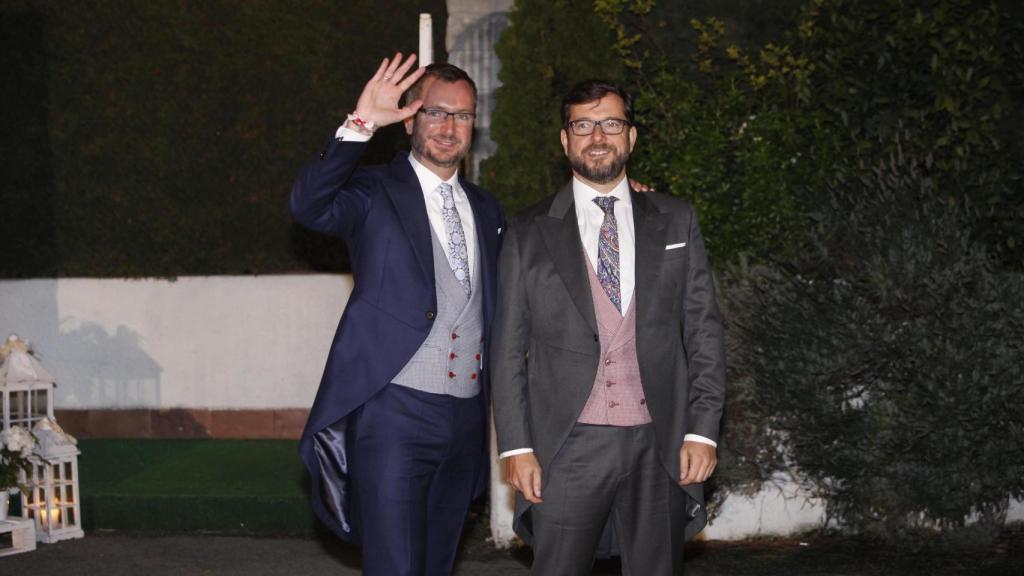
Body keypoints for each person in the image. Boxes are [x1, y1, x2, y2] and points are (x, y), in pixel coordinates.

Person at [490, 79, 726, 575]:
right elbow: (507, 349)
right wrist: (516, 445)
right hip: (567, 446)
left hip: (661, 446)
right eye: (583, 125)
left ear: (632, 137)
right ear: (565, 140)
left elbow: (703, 330)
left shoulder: (676, 219)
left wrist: (702, 432)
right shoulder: (526, 232)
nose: (598, 136)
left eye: (611, 123)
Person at [291, 53, 504, 576]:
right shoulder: (372, 191)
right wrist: (360, 123)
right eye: (435, 112)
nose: (449, 127)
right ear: (409, 119)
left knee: (436, 565)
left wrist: (620, 200)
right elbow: (309, 205)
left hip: (466, 419)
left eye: (462, 115)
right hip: (393, 414)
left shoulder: (487, 210)